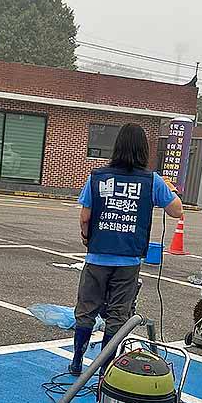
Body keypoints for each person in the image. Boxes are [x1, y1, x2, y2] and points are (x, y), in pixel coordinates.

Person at [69, 123, 184, 376]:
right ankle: (104, 369)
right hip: (129, 260)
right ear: (143, 150)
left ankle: (77, 360)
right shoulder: (151, 181)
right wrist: (169, 188)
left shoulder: (97, 177)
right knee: (117, 315)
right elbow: (177, 211)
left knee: (86, 309)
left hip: (98, 256)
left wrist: (87, 238)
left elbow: (85, 217)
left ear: (117, 146)